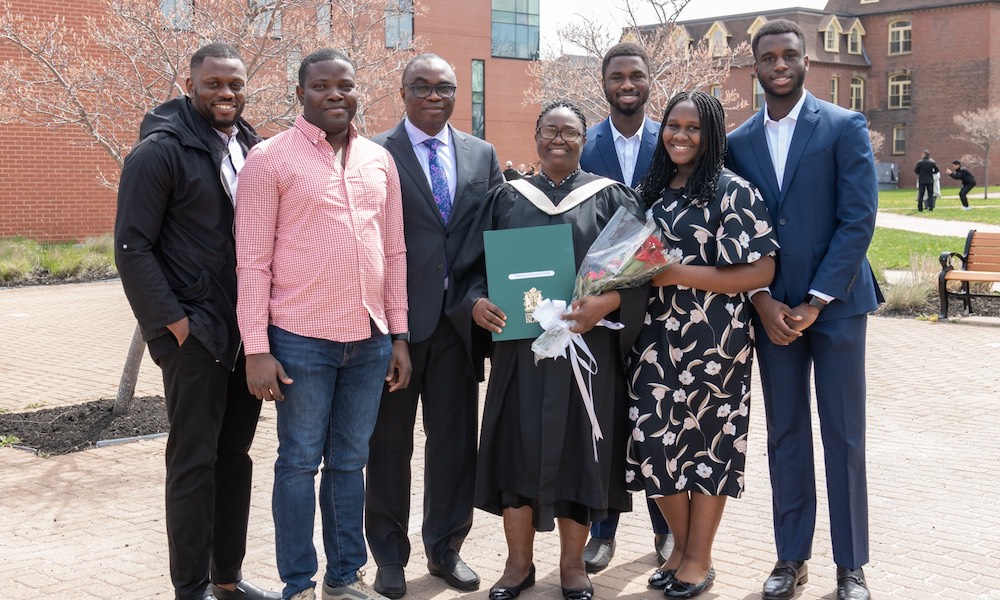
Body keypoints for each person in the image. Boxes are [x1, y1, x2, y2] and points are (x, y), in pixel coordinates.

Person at [449, 100, 647, 600]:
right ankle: (517, 567)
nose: (559, 140)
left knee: (581, 454)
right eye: (549, 131)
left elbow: (643, 277)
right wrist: (475, 304)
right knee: (516, 452)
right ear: (536, 136)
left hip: (587, 353)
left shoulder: (613, 198)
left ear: (585, 139)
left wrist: (607, 304)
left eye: (570, 132)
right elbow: (470, 273)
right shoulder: (504, 199)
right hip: (523, 354)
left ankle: (573, 567)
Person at [234, 48, 410, 600]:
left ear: (358, 92)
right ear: (301, 94)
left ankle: (342, 576)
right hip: (300, 340)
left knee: (349, 463)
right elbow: (252, 261)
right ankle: (298, 583)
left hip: (369, 340)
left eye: (345, 85)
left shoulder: (379, 161)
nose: (335, 94)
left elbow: (395, 253)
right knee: (298, 463)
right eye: (322, 86)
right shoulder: (269, 159)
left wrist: (398, 336)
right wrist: (256, 348)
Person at [114, 42, 279, 600]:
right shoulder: (159, 152)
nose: (226, 93)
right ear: (191, 87)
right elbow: (133, 248)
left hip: (245, 335)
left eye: (234, 84)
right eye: (213, 84)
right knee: (192, 463)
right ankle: (191, 588)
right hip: (195, 338)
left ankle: (226, 580)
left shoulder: (252, 146)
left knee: (234, 458)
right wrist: (174, 327)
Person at [726, 19, 881, 600]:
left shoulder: (844, 126)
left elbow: (858, 218)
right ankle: (791, 557)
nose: (780, 65)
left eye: (790, 55)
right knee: (786, 434)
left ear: (806, 62)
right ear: (756, 68)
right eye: (769, 58)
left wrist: (817, 299)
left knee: (843, 435)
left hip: (835, 308)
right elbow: (735, 229)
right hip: (770, 314)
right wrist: (760, 298)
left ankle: (851, 564)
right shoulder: (738, 143)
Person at [626, 91, 778, 599]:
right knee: (654, 444)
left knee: (708, 447)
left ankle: (698, 557)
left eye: (694, 128)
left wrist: (674, 274)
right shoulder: (646, 191)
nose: (681, 136)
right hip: (652, 337)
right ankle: (681, 547)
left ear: (711, 135)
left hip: (717, 340)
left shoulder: (732, 192)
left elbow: (761, 269)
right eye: (673, 125)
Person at [364, 53, 504, 599]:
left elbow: (493, 236)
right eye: (420, 86)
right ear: (402, 93)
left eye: (443, 87)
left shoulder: (482, 153)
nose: (433, 96)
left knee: (453, 443)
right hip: (396, 327)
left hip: (459, 327)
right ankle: (390, 558)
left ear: (455, 94)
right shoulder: (374, 153)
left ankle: (446, 549)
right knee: (388, 446)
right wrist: (387, 328)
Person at [578, 41, 671, 573]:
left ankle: (665, 529)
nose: (627, 83)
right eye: (618, 76)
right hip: (604, 305)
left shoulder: (678, 136)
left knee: (657, 417)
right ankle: (602, 529)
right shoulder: (583, 143)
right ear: (604, 81)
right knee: (607, 420)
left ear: (649, 79)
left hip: (666, 303)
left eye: (636, 74)